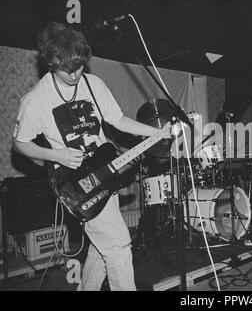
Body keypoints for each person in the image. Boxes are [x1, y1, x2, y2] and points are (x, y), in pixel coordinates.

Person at [12, 22, 172, 291]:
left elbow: (118, 119)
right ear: (51, 62)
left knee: (102, 246)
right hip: (73, 183)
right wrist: (56, 154)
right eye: (67, 69)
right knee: (118, 245)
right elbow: (20, 144)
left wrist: (157, 132)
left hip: (104, 175)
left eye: (79, 67)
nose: (75, 75)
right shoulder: (37, 100)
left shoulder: (94, 84)